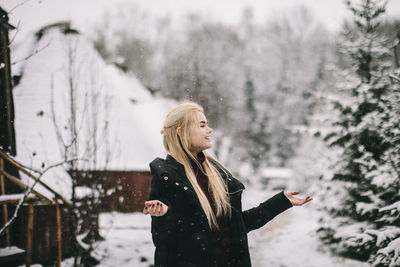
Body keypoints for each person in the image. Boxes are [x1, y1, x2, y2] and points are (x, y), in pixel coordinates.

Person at [143, 102, 312, 267]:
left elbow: (236, 227)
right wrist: (163, 217)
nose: (209, 130)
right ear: (181, 132)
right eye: (202, 125)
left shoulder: (215, 173)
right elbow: (165, 246)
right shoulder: (167, 177)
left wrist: (280, 201)